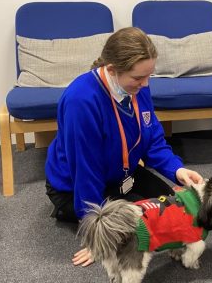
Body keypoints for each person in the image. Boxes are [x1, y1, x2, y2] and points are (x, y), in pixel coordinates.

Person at [45, 27, 203, 267]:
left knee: (171, 208)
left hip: (123, 173)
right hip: (75, 187)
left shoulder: (137, 86)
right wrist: (95, 233)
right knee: (135, 227)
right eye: (139, 78)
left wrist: (177, 170)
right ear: (111, 70)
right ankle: (76, 214)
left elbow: (153, 139)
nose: (145, 83)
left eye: (149, 75)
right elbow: (85, 172)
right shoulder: (81, 101)